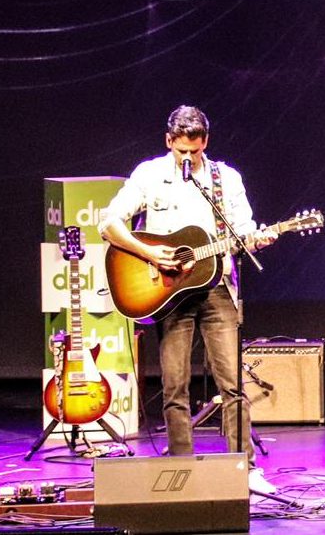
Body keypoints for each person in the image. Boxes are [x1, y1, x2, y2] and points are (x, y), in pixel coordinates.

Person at [101, 105, 275, 493]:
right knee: (175, 385)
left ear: (205, 143)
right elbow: (108, 223)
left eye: (194, 152)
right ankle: (182, 469)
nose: (187, 158)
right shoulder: (149, 174)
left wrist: (256, 238)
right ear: (168, 141)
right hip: (169, 293)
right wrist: (149, 253)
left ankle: (244, 468)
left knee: (232, 382)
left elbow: (242, 229)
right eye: (181, 150)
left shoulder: (225, 178)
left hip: (217, 288)